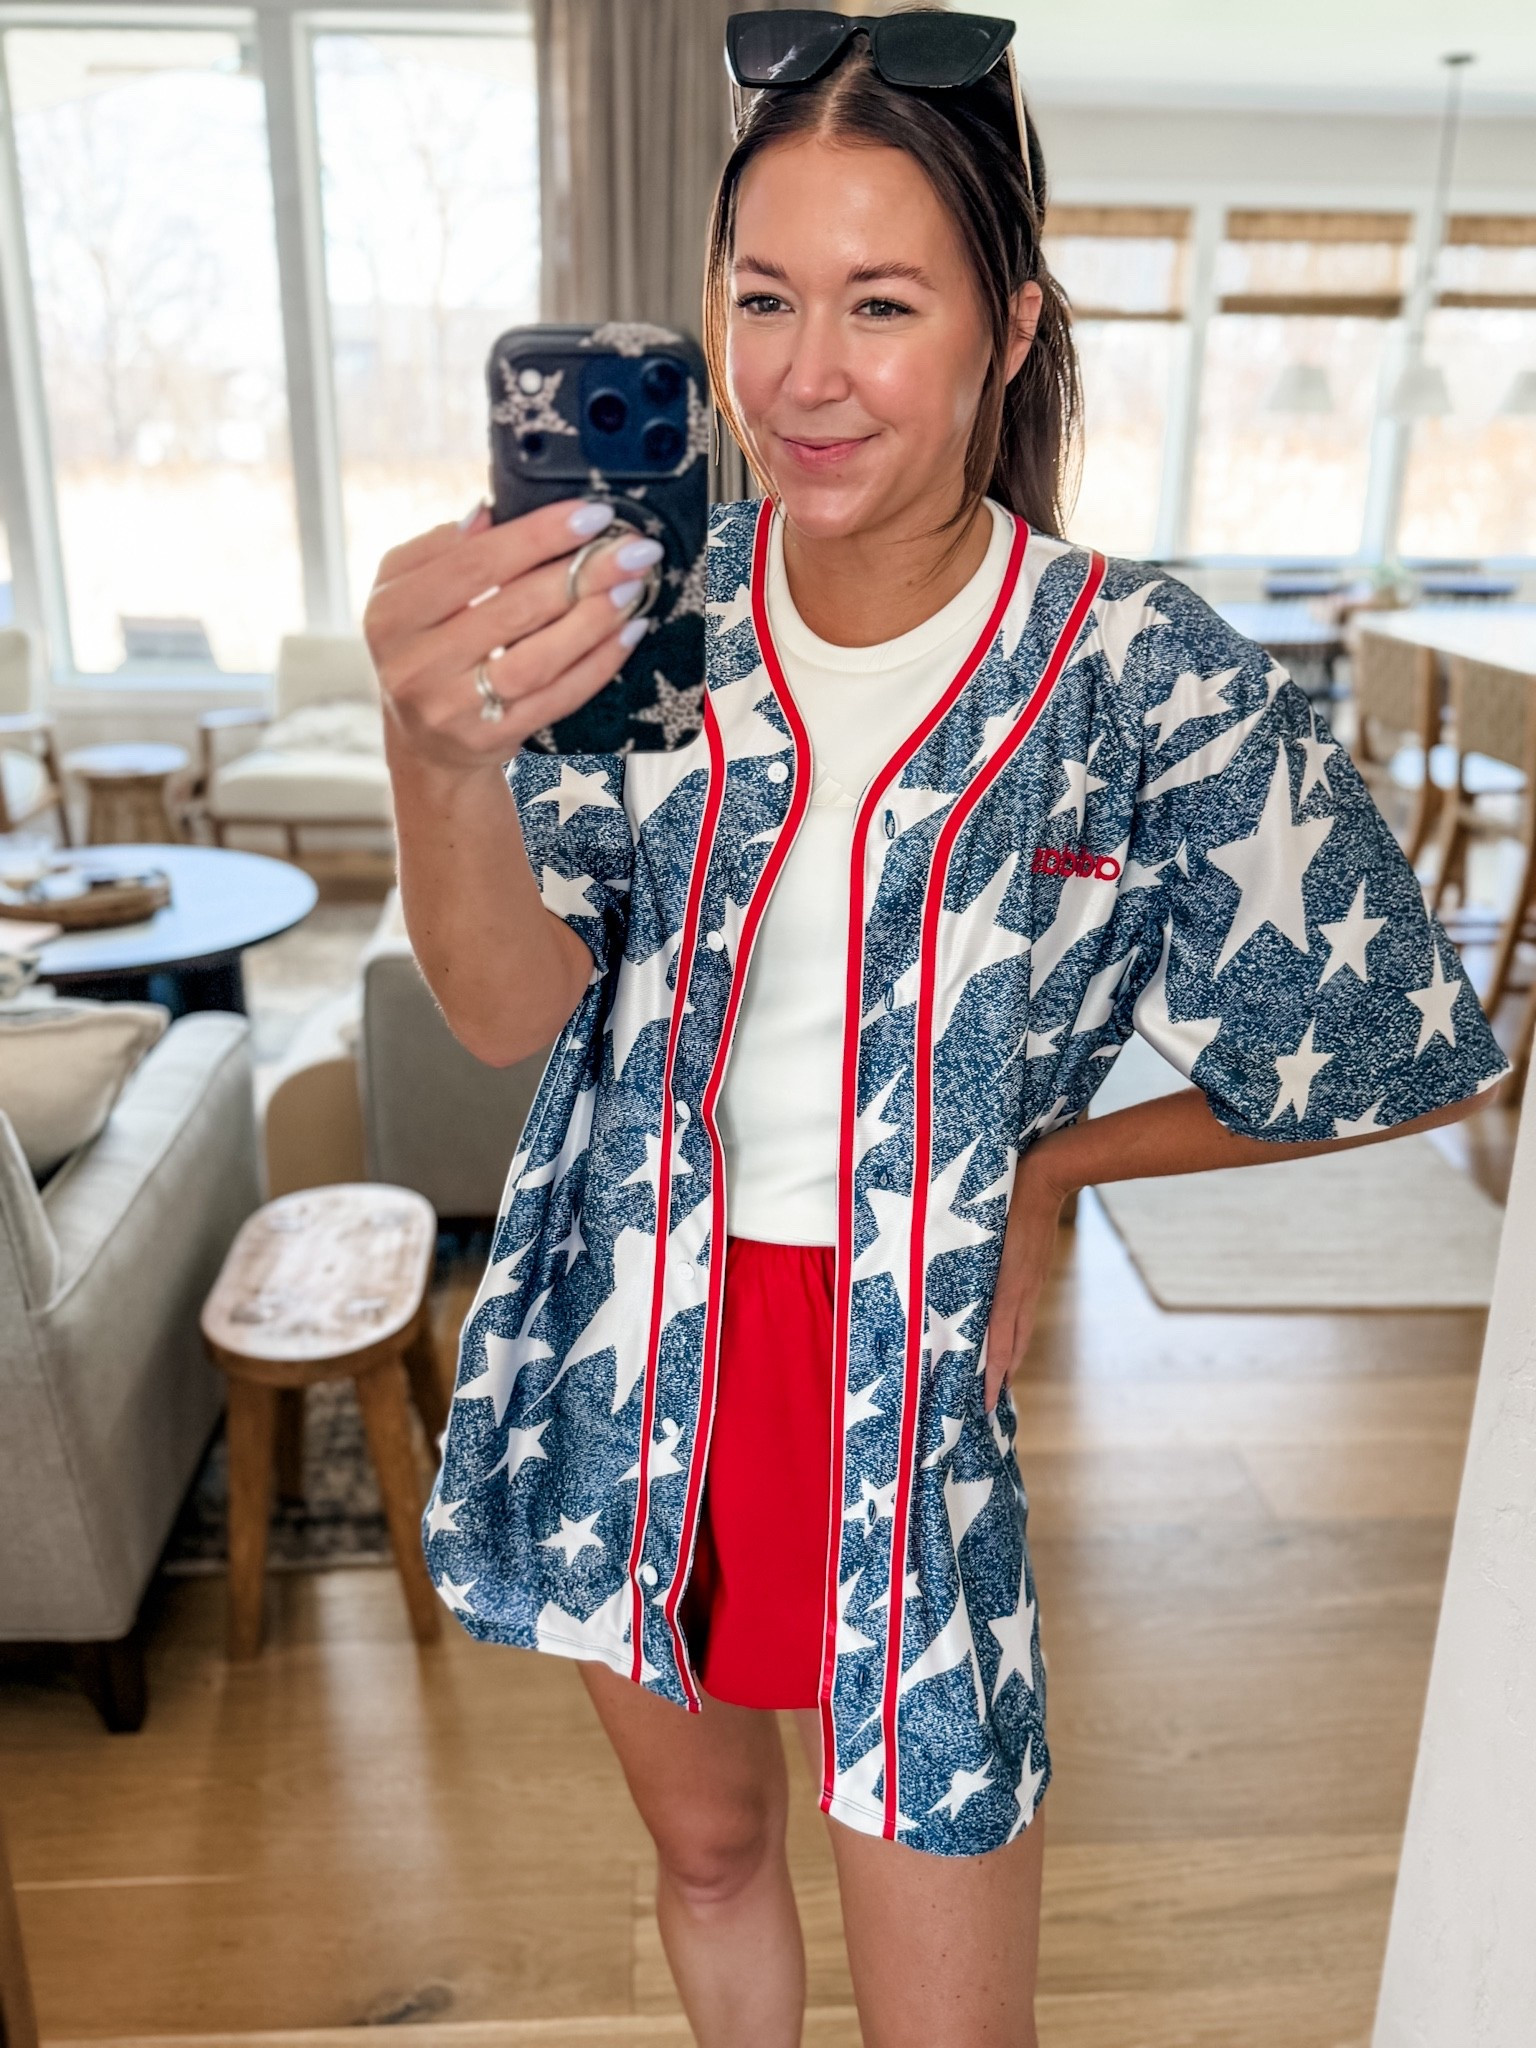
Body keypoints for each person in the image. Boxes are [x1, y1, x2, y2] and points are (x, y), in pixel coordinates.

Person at [363, 16, 1508, 2046]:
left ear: (1007, 327)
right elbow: (512, 1007)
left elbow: (1391, 1034)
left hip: (905, 1385)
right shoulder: (647, 616)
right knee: (709, 1860)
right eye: (764, 298)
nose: (806, 371)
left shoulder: (1134, 668)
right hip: (641, 1347)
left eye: (882, 303)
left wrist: (1058, 1166)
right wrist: (432, 753)